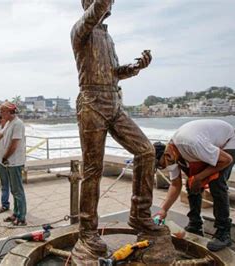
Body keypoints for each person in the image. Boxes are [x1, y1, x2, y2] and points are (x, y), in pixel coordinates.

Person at [71, 0, 174, 263]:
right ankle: (88, 232)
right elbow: (96, 10)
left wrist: (136, 67)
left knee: (147, 151)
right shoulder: (81, 29)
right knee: (93, 170)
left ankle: (140, 214)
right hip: (92, 103)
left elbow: (113, 73)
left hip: (114, 102)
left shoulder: (107, 37)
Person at [154, 119, 235, 251]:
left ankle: (224, 233)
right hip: (205, 146)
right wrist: (163, 210)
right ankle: (195, 225)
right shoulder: (171, 155)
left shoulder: (191, 145)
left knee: (216, 184)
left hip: (228, 143)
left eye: (160, 165)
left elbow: (226, 160)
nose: (163, 167)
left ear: (166, 154)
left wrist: (199, 177)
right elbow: (175, 185)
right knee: (191, 184)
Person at [0, 101, 27, 226]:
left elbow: (14, 145)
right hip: (8, 162)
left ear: (8, 112)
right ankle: (16, 213)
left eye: (2, 111)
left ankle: (22, 217)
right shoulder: (8, 123)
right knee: (14, 190)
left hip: (15, 162)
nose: (1, 114)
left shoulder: (18, 124)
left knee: (18, 190)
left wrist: (5, 157)